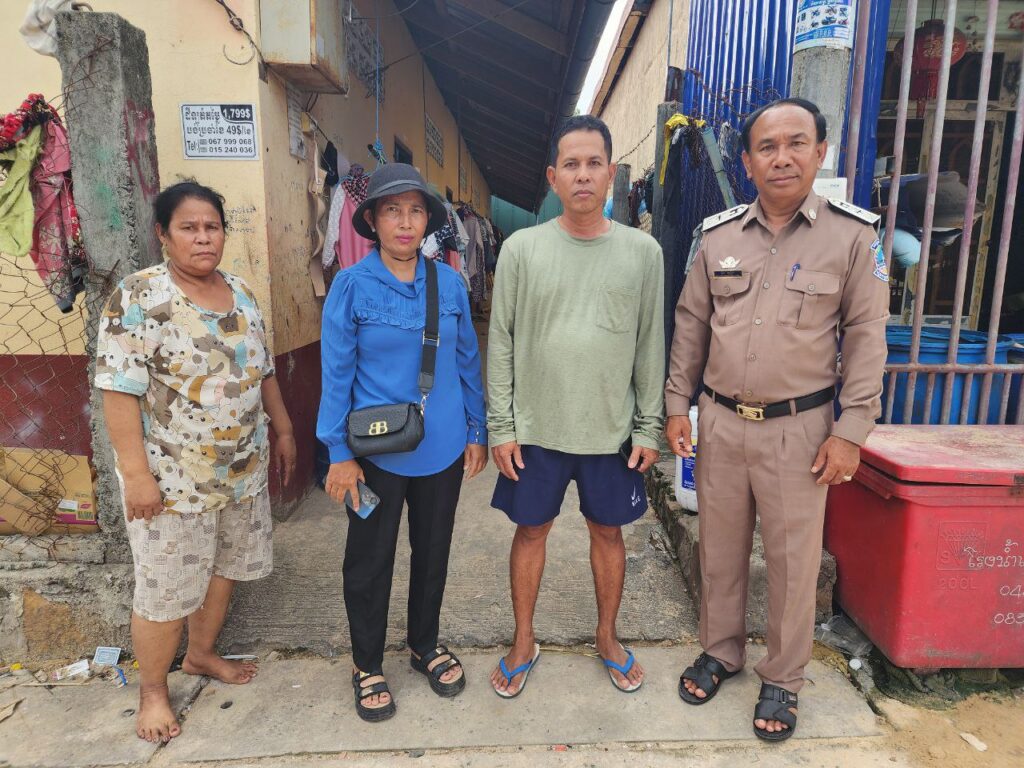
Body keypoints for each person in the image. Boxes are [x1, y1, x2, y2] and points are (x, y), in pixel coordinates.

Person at [665, 98, 889, 741]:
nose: (782, 157)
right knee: (720, 550)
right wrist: (677, 404)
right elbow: (691, 324)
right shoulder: (717, 237)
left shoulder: (852, 237)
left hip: (801, 429)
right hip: (720, 421)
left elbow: (867, 336)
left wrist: (851, 432)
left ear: (820, 152)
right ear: (747, 162)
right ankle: (721, 651)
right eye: (767, 147)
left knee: (793, 562)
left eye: (796, 143)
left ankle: (784, 677)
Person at [95, 181, 296, 743]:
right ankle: (153, 691)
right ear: (163, 234)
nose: (203, 237)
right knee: (164, 591)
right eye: (189, 227)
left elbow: (264, 372)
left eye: (212, 227)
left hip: (241, 472)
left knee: (224, 568)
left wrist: (283, 430)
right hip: (171, 481)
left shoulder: (242, 292)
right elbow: (118, 392)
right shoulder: (139, 296)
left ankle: (202, 654)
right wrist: (137, 476)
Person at [487, 115, 665, 698]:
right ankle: (523, 640)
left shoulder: (643, 252)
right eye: (571, 164)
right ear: (553, 178)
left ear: (611, 173)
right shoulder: (521, 250)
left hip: (611, 431)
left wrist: (648, 426)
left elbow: (650, 343)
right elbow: (502, 342)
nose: (582, 175)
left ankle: (607, 636)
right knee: (530, 530)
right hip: (536, 428)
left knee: (608, 533)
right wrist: (501, 426)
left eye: (593, 164)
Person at [317, 163, 488, 722]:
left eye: (415, 211)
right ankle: (366, 663)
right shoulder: (351, 285)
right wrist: (338, 453)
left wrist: (477, 431)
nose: (406, 222)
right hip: (375, 455)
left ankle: (424, 644)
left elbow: (467, 361)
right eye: (393, 210)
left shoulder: (449, 282)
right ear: (372, 220)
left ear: (428, 221)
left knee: (433, 551)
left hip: (442, 447)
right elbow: (336, 374)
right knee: (369, 561)